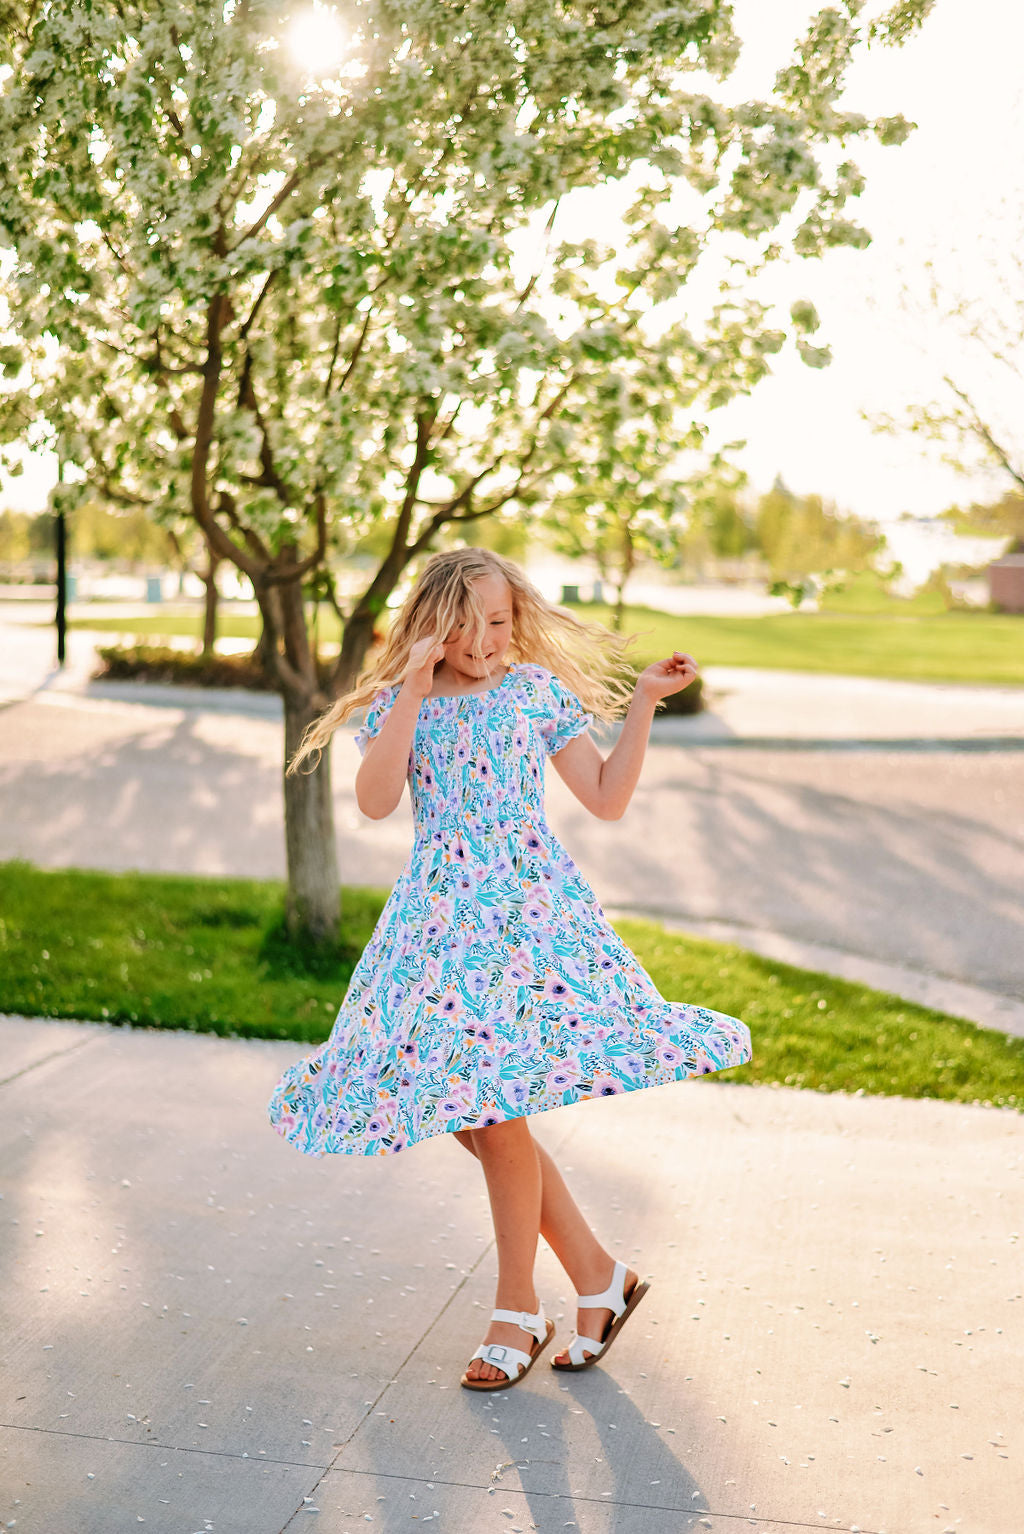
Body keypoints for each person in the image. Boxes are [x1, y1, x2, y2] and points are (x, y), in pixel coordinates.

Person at [267, 547, 751, 1391]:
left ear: (514, 617)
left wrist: (640, 704)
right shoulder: (400, 703)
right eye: (463, 626)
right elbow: (377, 802)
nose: (484, 641)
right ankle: (599, 1276)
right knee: (477, 1113)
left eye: (496, 621)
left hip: (525, 920)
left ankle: (517, 1307)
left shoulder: (532, 692)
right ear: (430, 627)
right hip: (436, 923)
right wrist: (412, 693)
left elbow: (604, 796)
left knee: (493, 1111)